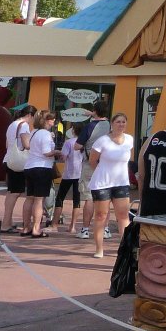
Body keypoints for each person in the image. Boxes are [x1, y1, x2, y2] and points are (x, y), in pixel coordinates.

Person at [87, 112, 133, 259]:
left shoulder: (129, 140)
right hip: (102, 183)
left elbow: (128, 159)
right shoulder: (102, 141)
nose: (121, 124)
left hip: (121, 183)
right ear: (112, 124)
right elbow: (92, 161)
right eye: (118, 122)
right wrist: (102, 172)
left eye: (123, 122)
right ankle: (99, 248)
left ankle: (125, 249)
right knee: (101, 216)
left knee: (123, 216)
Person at [21, 110, 62, 237]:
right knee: (39, 200)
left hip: (30, 166)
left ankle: (26, 227)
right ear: (46, 121)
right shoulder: (45, 134)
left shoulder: (34, 132)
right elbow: (46, 152)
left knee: (29, 198)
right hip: (42, 168)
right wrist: (57, 152)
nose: (53, 121)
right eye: (51, 119)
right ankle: (36, 228)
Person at [77, 99, 111, 241]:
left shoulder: (89, 127)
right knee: (105, 197)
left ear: (95, 111)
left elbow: (78, 146)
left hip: (90, 164)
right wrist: (93, 113)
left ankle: (85, 230)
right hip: (106, 164)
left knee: (89, 197)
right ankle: (106, 229)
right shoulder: (110, 125)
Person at [1, 104, 36, 233]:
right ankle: (6, 224)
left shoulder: (12, 124)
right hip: (18, 162)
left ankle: (7, 221)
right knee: (15, 192)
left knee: (11, 192)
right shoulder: (24, 125)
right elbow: (27, 145)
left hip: (9, 159)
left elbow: (7, 144)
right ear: (30, 115)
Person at [53, 124, 85, 233]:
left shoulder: (69, 142)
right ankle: (73, 226)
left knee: (60, 198)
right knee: (77, 200)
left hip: (69, 174)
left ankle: (54, 224)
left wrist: (58, 153)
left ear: (73, 131)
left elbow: (63, 157)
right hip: (80, 174)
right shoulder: (85, 143)